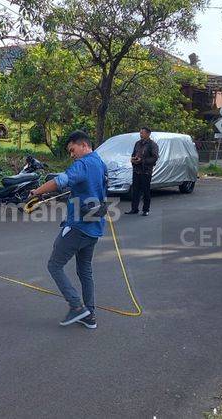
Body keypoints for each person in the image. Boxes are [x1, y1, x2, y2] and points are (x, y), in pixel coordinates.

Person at [29, 130, 108, 329]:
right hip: (95, 226)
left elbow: (60, 181)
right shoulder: (100, 163)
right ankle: (90, 315)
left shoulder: (83, 164)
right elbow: (91, 189)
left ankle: (77, 306)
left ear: (83, 145)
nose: (71, 155)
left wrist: (36, 192)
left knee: (54, 265)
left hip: (78, 226)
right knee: (85, 270)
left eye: (72, 150)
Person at [126, 127, 159, 216]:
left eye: (142, 133)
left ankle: (146, 209)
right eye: (140, 133)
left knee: (146, 191)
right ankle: (134, 208)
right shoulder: (137, 143)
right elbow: (134, 154)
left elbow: (154, 158)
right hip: (136, 170)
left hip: (146, 171)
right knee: (135, 190)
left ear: (148, 134)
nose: (141, 135)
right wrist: (133, 159)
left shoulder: (152, 145)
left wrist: (142, 160)